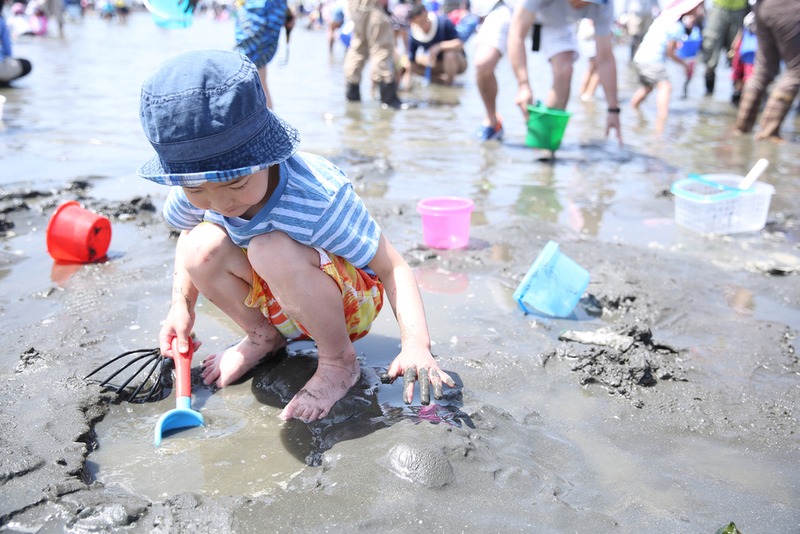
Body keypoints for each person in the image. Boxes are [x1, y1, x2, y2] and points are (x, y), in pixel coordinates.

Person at [136, 50, 453, 422]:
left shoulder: (317, 196)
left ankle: (338, 361)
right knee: (197, 246)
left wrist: (415, 344)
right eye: (197, 190)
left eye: (236, 182)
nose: (220, 203)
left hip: (347, 304)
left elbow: (392, 266)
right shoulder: (196, 185)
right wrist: (180, 307)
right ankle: (263, 338)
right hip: (279, 300)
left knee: (269, 248)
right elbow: (188, 234)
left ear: (266, 155)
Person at [507, 0, 622, 144]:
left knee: (565, 70)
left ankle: (545, 141)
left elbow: (605, 58)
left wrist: (613, 109)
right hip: (513, 10)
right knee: (485, 60)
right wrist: (523, 86)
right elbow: (516, 34)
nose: (583, 4)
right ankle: (492, 122)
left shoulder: (604, 5)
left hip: (555, 23)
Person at [733, 0, 800, 142]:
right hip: (788, 6)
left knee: (763, 69)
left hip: (762, 7)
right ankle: (768, 132)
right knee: (797, 71)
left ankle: (742, 128)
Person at [630, 0, 704, 121]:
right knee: (666, 87)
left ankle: (632, 110)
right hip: (652, 61)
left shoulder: (663, 19)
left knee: (647, 88)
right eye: (698, 7)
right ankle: (662, 122)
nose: (700, 10)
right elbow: (670, 52)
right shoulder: (677, 26)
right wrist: (685, 65)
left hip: (640, 59)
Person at [343, 0, 404, 108]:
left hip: (354, 5)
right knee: (381, 48)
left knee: (358, 47)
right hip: (372, 5)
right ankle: (389, 99)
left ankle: (352, 96)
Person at [472, 0, 515, 141]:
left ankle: (549, 137)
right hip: (508, 6)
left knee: (564, 68)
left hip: (553, 9)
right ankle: (492, 120)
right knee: (483, 63)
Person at [234, 0, 290, 108]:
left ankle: (264, 121)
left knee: (252, 72)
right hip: (268, 9)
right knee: (256, 75)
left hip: (260, 10)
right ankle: (265, 121)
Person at [403, 4, 467, 86]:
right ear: (414, 22)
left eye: (426, 20)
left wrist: (439, 46)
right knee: (407, 61)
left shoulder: (443, 22)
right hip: (435, 62)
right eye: (421, 23)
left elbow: (460, 44)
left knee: (449, 54)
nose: (426, 24)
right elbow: (411, 61)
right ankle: (438, 80)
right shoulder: (414, 34)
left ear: (427, 13)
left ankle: (449, 84)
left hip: (458, 62)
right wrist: (406, 86)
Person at [701, 0, 748, 96]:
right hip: (718, 7)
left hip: (741, 9)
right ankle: (708, 96)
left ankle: (737, 97)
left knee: (738, 51)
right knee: (710, 48)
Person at [0, 0, 32, 85]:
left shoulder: (11, 20)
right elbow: (8, 52)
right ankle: (4, 81)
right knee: (26, 65)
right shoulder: (1, 21)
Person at [729, 10, 757, 106]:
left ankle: (747, 102)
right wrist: (735, 45)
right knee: (739, 76)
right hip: (743, 50)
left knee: (750, 78)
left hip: (753, 52)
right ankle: (738, 100)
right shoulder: (749, 14)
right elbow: (742, 29)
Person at [577, 18, 600, 101]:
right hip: (592, 35)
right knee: (600, 68)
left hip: (586, 33)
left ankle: (583, 93)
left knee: (591, 67)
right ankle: (588, 95)